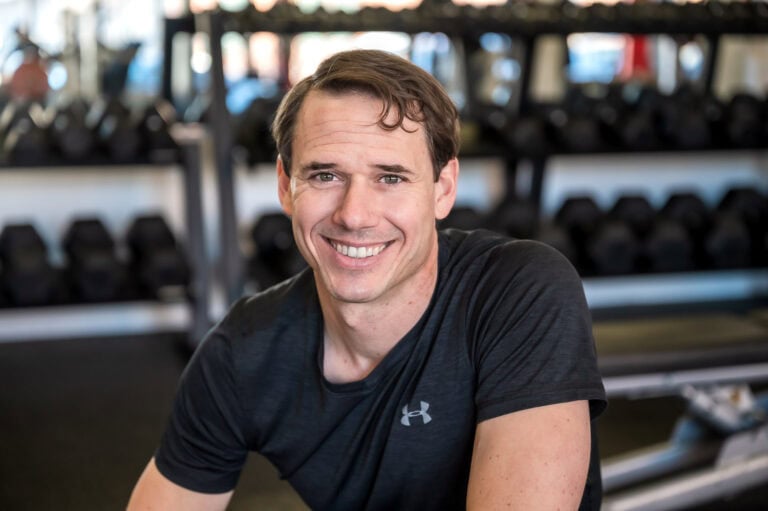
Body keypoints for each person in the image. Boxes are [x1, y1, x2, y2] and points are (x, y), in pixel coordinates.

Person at [127, 48, 606, 511]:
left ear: (443, 189)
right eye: (325, 175)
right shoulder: (241, 355)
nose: (354, 215)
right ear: (285, 185)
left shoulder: (520, 290)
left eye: (391, 178)